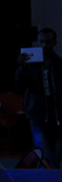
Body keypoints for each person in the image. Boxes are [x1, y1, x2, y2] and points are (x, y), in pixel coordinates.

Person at [16, 27, 62, 168]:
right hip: (38, 117)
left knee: (56, 155)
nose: (44, 45)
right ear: (37, 42)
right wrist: (22, 68)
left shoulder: (59, 64)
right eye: (41, 41)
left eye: (48, 42)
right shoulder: (30, 65)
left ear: (54, 42)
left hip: (58, 117)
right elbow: (19, 87)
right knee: (45, 154)